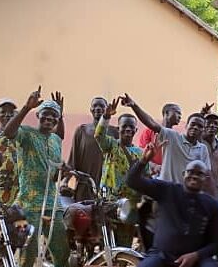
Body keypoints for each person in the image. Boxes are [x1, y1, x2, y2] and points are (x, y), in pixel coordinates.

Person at [3, 88, 74, 267]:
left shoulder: (54, 140)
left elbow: (57, 155)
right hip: (28, 205)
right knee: (28, 250)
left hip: (52, 204)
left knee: (61, 249)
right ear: (38, 116)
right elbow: (8, 132)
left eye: (54, 116)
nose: (49, 118)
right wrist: (26, 106)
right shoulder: (25, 134)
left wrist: (64, 170)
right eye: (45, 114)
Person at [120, 94, 213, 191]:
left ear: (203, 130)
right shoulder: (173, 137)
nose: (195, 127)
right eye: (193, 124)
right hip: (165, 192)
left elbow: (206, 175)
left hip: (185, 195)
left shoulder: (203, 149)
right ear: (186, 125)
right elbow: (151, 123)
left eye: (200, 126)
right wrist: (134, 105)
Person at [93, 99, 144, 247]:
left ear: (136, 130)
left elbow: (144, 178)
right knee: (107, 245)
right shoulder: (111, 145)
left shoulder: (140, 153)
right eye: (125, 126)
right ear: (118, 128)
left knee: (124, 246)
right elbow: (98, 136)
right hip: (109, 203)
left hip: (129, 205)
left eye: (131, 127)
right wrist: (106, 117)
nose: (128, 129)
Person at [67, 97, 120, 201]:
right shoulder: (81, 131)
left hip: (107, 187)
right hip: (85, 186)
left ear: (107, 110)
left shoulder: (115, 132)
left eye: (101, 106)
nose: (98, 108)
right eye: (95, 106)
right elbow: (73, 161)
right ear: (90, 110)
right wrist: (65, 182)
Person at [136, 102, 182, 169]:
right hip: (149, 172)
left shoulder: (176, 137)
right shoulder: (148, 132)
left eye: (180, 114)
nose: (180, 116)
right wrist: (155, 166)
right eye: (177, 112)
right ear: (166, 113)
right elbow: (141, 154)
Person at [201, 109, 218, 202]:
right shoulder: (197, 143)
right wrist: (201, 114)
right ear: (203, 125)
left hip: (215, 192)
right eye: (208, 122)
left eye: (215, 123)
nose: (212, 125)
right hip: (199, 189)